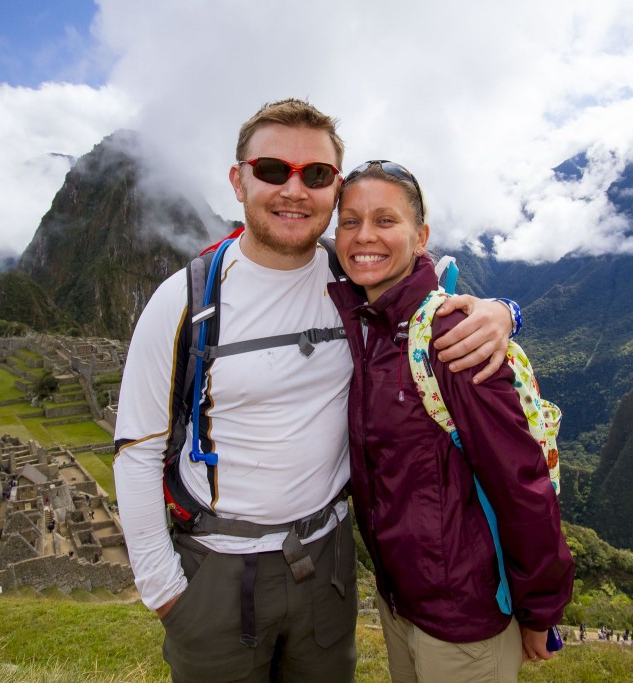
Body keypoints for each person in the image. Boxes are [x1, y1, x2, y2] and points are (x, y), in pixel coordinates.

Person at [113, 99, 517, 683]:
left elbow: (429, 294)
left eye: (317, 175)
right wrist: (166, 590)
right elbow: (138, 447)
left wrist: (503, 311)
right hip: (217, 570)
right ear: (239, 179)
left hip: (326, 564)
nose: (294, 191)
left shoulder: (352, 278)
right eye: (274, 170)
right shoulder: (184, 301)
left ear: (334, 189)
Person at [327, 160, 574, 683]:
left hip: (465, 619)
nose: (364, 235)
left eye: (385, 220)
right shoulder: (365, 324)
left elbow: (521, 481)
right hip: (400, 603)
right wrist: (509, 308)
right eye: (349, 221)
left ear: (421, 238)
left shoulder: (452, 337)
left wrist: (540, 609)